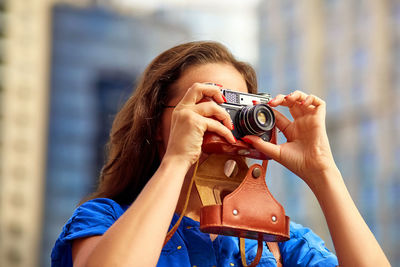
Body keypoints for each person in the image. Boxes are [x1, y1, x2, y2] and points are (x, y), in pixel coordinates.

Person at [51, 41, 390, 267]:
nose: (223, 118)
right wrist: (177, 160)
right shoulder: (103, 220)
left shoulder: (275, 240)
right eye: (209, 103)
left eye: (237, 105)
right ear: (156, 122)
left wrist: (323, 171)